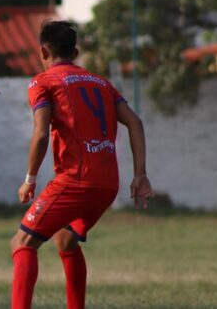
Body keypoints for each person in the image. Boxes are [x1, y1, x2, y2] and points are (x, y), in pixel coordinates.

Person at [9, 21, 154, 309]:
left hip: (75, 180)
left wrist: (30, 178)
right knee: (66, 241)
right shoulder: (103, 83)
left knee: (23, 242)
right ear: (75, 52)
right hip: (107, 185)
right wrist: (140, 174)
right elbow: (135, 123)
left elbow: (40, 134)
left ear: (43, 50)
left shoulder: (43, 82)